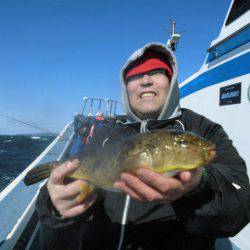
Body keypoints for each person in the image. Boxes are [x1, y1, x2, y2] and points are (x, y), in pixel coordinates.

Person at [36, 43, 250, 250]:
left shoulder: (203, 129)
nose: (146, 80)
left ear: (171, 81)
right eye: (136, 75)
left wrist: (200, 188)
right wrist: (56, 206)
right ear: (125, 88)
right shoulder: (106, 132)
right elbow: (79, 201)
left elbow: (239, 210)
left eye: (157, 72)